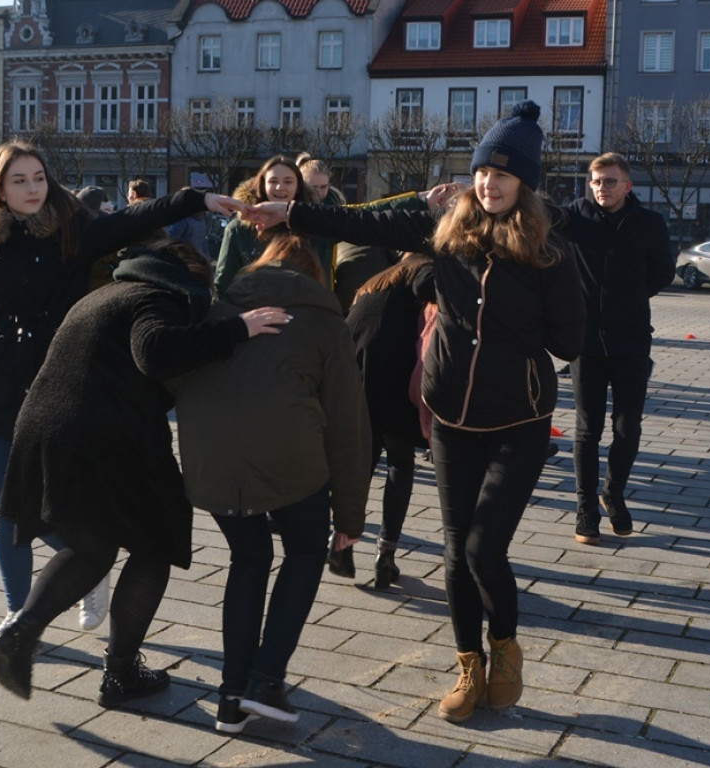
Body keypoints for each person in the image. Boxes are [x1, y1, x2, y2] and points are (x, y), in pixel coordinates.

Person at [247, 101, 586, 723]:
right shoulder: (446, 234)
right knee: (456, 553)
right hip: (451, 416)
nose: (489, 183)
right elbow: (363, 222)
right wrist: (289, 211)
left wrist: (521, 317)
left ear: (525, 184)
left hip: (520, 418)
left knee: (485, 549)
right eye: (484, 171)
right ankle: (467, 665)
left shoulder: (549, 253)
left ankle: (504, 647)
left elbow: (570, 341)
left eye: (504, 176)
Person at [0, 140, 246, 651]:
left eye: (38, 177)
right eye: (19, 180)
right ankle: (20, 621)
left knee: (56, 507)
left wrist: (195, 200)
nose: (32, 188)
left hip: (61, 389)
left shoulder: (75, 232)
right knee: (5, 508)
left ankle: (84, 567)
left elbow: (134, 217)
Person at [0, 238, 289, 702]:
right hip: (104, 431)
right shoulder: (155, 297)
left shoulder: (103, 295)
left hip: (47, 425)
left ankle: (17, 634)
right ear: (187, 278)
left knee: (91, 545)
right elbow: (154, 352)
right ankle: (120, 673)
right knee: (156, 539)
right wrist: (235, 330)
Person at [169, 235, 371, 732]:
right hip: (290, 461)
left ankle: (230, 697)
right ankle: (266, 680)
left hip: (210, 461)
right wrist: (349, 517)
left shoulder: (218, 309)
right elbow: (348, 425)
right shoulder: (325, 320)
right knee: (304, 552)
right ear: (315, 275)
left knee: (249, 558)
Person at [560, 152, 674, 545]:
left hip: (631, 340)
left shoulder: (649, 223)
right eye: (595, 182)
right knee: (586, 429)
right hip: (585, 343)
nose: (601, 189)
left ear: (627, 185)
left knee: (628, 428)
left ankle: (614, 493)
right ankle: (585, 509)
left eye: (609, 181)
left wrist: (628, 299)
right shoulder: (574, 216)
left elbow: (663, 271)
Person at [344, 255, 432, 588]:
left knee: (362, 464)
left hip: (357, 377)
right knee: (399, 463)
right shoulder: (422, 282)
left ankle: (342, 544)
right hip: (394, 379)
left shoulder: (373, 281)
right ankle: (386, 555)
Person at [214, 156, 321, 295]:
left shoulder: (314, 226)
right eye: (273, 181)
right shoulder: (239, 229)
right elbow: (223, 284)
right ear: (263, 185)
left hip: (302, 310)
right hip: (251, 310)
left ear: (298, 187)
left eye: (288, 182)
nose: (280, 187)